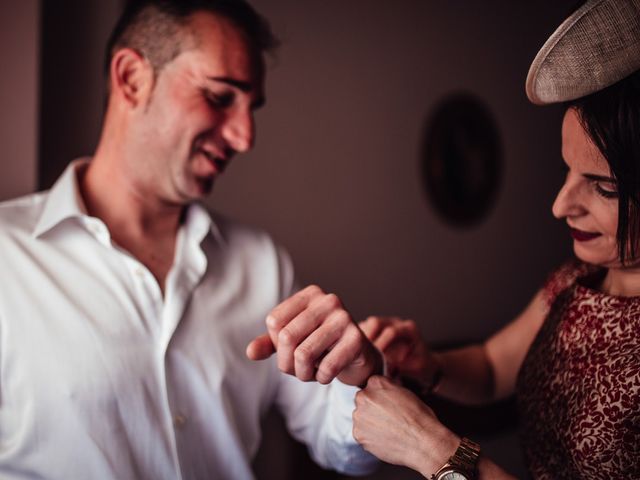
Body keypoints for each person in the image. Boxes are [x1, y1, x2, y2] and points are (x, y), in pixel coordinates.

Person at [0, 1, 382, 478]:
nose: (245, 138)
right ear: (132, 79)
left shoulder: (261, 264)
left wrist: (359, 377)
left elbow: (342, 448)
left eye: (251, 107)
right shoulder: (5, 259)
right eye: (221, 97)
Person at [352, 0, 640, 479]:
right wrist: (428, 363)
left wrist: (435, 450)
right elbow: (491, 367)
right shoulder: (576, 280)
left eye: (604, 187)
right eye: (567, 172)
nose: (560, 205)